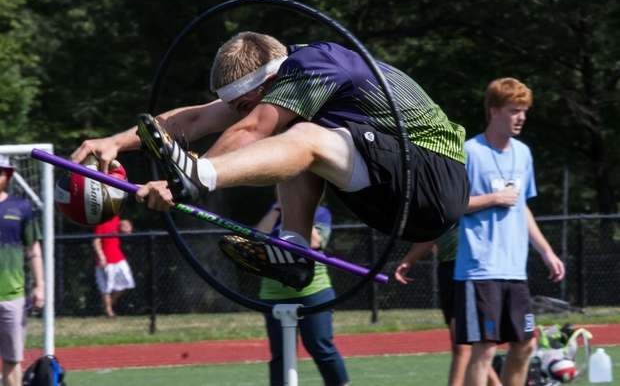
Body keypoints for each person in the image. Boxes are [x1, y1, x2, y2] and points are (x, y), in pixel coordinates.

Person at [71, 31, 469, 290]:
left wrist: (190, 179)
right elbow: (195, 118)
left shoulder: (312, 64)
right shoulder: (281, 86)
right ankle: (294, 252)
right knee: (295, 138)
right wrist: (115, 142)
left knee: (300, 136)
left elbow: (251, 131)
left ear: (268, 81)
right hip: (397, 202)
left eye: (245, 104)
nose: (241, 115)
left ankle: (205, 180)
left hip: (434, 178)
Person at [452, 78, 565, 386]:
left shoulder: (524, 154)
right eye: (514, 110)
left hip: (515, 270)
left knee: (526, 344)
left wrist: (546, 251)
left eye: (524, 111)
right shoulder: (470, 152)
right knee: (486, 348)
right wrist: (493, 198)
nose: (521, 117)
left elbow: (522, 208)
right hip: (480, 269)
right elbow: (452, 205)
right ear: (494, 111)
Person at [253, 189, 348, 386]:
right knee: (281, 353)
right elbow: (255, 240)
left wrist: (300, 207)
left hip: (314, 291)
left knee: (320, 345)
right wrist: (280, 207)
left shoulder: (320, 213)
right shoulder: (274, 212)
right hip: (273, 293)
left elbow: (314, 242)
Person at [394, 225, 501, 386]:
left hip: (471, 268)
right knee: (465, 342)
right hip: (447, 270)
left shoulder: (476, 200)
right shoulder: (443, 205)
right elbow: (432, 235)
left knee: (462, 343)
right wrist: (408, 261)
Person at [0, 154, 45, 386]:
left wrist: (40, 285)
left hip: (12, 297)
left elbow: (32, 247)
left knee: (12, 360)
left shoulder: (21, 207)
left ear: (8, 175)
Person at [92, 216, 135, 318]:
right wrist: (101, 257)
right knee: (106, 288)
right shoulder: (100, 222)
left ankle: (108, 305)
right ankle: (109, 311)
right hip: (106, 260)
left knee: (127, 282)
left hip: (118, 257)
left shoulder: (115, 218)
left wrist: (126, 225)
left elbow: (122, 225)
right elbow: (96, 241)